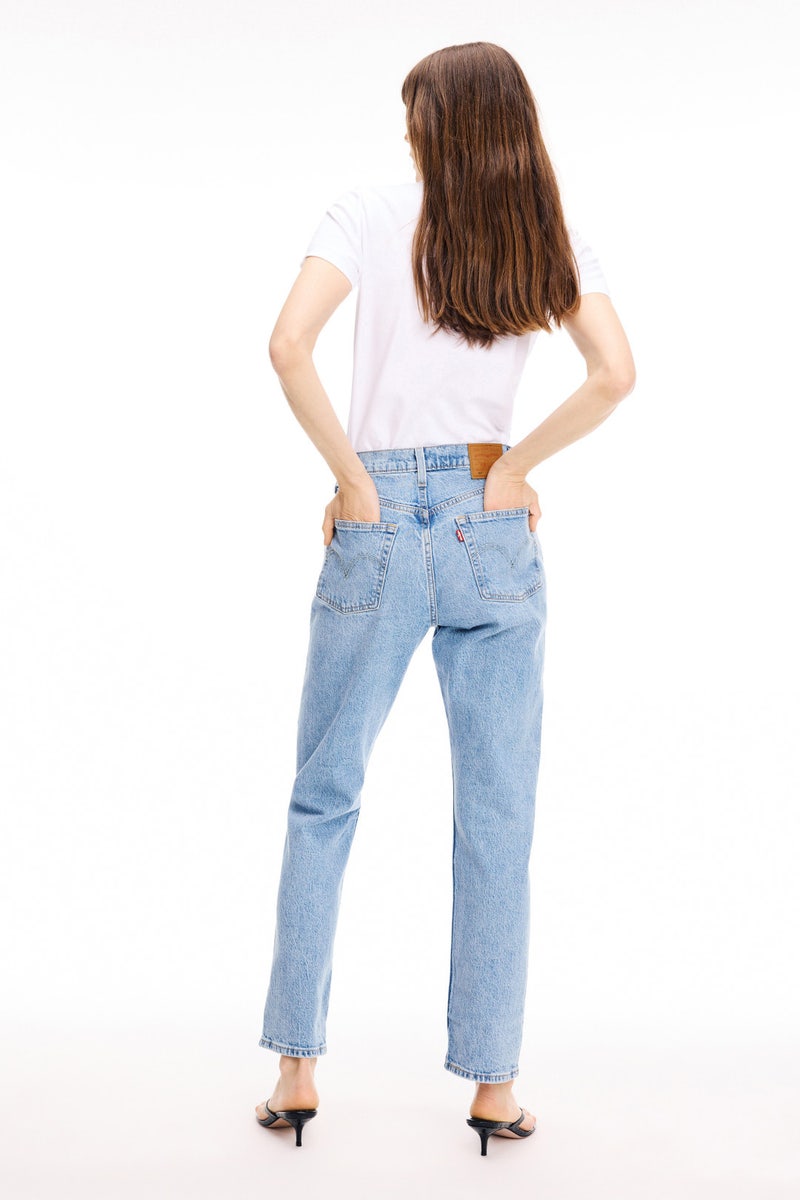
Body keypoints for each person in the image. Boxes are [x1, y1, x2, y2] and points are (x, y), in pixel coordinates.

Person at [254, 40, 636, 1154]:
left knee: (324, 794)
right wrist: (515, 469)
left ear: (433, 123)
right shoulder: (544, 230)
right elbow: (614, 373)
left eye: (413, 114)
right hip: (489, 518)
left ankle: (295, 1072)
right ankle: (493, 1089)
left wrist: (352, 481)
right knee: (498, 816)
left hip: (378, 516)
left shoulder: (366, 212)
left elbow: (286, 346)